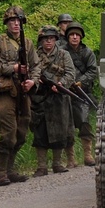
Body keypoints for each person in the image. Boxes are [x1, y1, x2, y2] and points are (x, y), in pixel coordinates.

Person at [0, 6, 41, 186]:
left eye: (18, 21)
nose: (15, 24)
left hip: (23, 91)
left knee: (21, 132)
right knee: (8, 134)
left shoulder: (27, 43)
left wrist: (33, 81)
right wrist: (13, 68)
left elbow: (36, 66)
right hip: (5, 91)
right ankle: (1, 173)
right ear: (6, 23)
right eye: (12, 21)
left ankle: (11, 170)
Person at [31, 26, 77, 175]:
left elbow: (71, 73)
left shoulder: (64, 54)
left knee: (60, 131)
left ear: (55, 40)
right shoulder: (35, 55)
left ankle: (57, 163)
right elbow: (32, 72)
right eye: (45, 39)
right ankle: (41, 166)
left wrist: (62, 84)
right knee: (40, 132)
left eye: (51, 38)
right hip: (41, 97)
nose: (48, 41)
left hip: (58, 98)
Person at [62, 21, 99, 166]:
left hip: (82, 92)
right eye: (72, 35)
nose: (75, 37)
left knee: (84, 122)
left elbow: (92, 71)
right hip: (65, 92)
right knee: (67, 124)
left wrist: (81, 81)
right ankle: (70, 159)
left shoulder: (87, 52)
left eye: (77, 35)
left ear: (81, 37)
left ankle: (88, 155)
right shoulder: (62, 51)